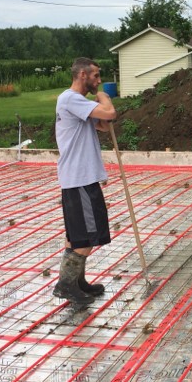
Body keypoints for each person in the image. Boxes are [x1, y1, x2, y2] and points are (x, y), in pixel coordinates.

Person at [53, 58, 117, 305]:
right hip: (79, 179)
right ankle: (66, 286)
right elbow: (109, 112)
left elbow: (102, 124)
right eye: (96, 76)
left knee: (78, 237)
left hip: (79, 178)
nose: (98, 80)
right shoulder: (70, 99)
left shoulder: (77, 103)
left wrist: (100, 106)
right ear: (82, 75)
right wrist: (104, 96)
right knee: (88, 237)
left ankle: (77, 282)